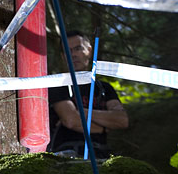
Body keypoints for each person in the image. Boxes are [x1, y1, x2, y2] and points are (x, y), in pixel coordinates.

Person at [48, 30, 129, 158]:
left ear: (89, 51)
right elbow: (71, 121)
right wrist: (104, 128)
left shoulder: (104, 88)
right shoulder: (58, 84)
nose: (73, 54)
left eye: (78, 49)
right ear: (63, 56)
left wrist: (83, 112)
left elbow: (122, 120)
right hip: (66, 155)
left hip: (102, 155)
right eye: (68, 51)